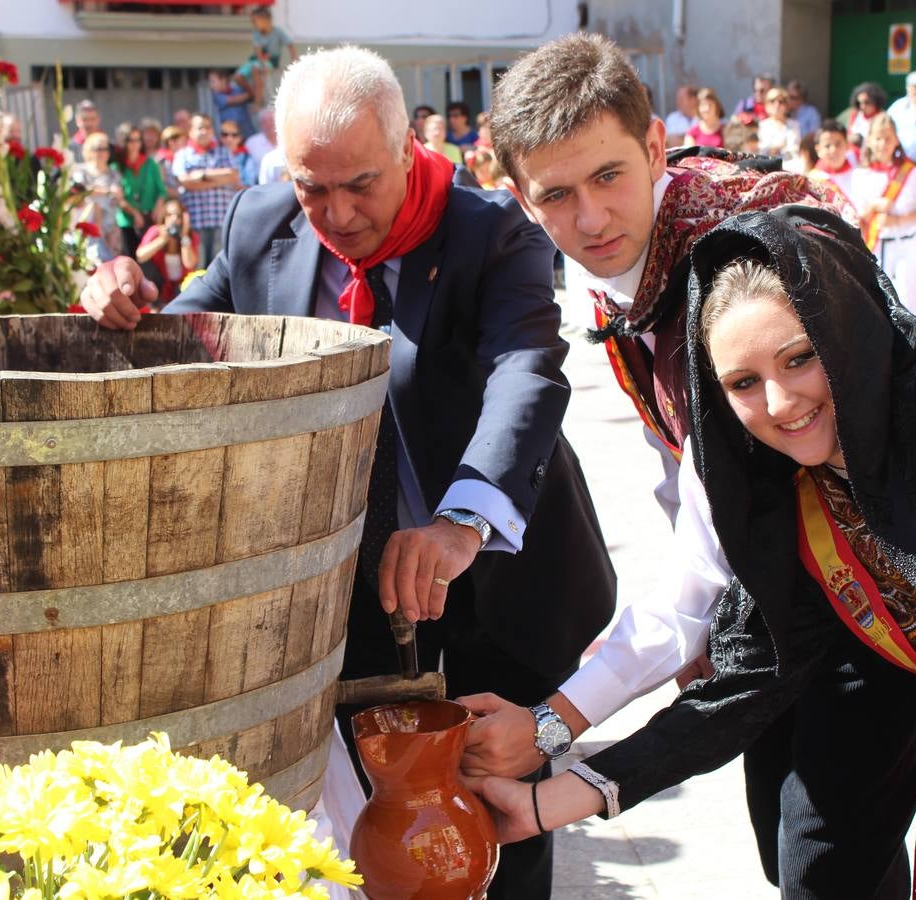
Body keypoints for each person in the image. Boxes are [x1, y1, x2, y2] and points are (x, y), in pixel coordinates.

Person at [467, 204, 916, 900]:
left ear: (848, 334)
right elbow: (749, 681)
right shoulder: (802, 501)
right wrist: (547, 803)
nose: (781, 403)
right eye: (743, 384)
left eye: (800, 357)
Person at [76, 45, 617, 900]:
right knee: (361, 836)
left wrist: (459, 523)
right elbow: (191, 332)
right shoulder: (259, 225)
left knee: (493, 831)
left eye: (360, 183)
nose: (336, 213)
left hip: (489, 592)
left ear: (408, 149)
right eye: (310, 187)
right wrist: (123, 299)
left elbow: (528, 373)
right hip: (338, 594)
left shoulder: (489, 234)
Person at [481, 32, 916, 899]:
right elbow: (684, 471)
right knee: (786, 843)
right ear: (521, 198)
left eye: (610, 176)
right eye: (558, 195)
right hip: (775, 589)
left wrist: (553, 722)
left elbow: (703, 556)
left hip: (884, 587)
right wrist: (706, 629)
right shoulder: (635, 268)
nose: (590, 219)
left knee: (827, 863)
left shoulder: (739, 259)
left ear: (656, 148)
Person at [853, 112, 916, 312]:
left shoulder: (912, 173)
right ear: (869, 141)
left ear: (896, 140)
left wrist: (899, 220)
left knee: (907, 299)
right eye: (878, 138)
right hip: (875, 244)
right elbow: (855, 216)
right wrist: (874, 208)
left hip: (906, 242)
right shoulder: (860, 175)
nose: (883, 144)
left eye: (888, 138)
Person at [172, 113, 243, 267]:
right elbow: (184, 181)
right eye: (199, 127)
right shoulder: (182, 155)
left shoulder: (223, 151)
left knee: (221, 269)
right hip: (195, 223)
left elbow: (232, 175)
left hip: (221, 221)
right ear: (190, 131)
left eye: (207, 127)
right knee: (197, 270)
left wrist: (202, 175)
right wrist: (217, 180)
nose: (204, 131)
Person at [114, 124, 167, 259]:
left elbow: (161, 191)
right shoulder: (117, 166)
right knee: (130, 259)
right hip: (127, 220)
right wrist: (134, 213)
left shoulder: (150, 164)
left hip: (150, 218)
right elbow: (118, 197)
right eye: (130, 140)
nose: (135, 144)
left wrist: (158, 207)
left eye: (137, 140)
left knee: (150, 260)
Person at [72, 131, 124, 264]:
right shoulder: (81, 172)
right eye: (97, 149)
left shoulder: (113, 173)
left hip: (110, 227)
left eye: (105, 148)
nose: (101, 152)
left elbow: (119, 196)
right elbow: (79, 192)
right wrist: (107, 191)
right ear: (89, 151)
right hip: (88, 226)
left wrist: (113, 193)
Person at [135, 197, 197, 305]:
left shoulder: (190, 237)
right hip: (160, 287)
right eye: (169, 215)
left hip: (180, 288)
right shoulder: (156, 231)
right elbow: (140, 256)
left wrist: (184, 236)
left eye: (178, 215)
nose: (174, 219)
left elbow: (189, 264)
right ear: (164, 217)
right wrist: (162, 240)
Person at [805, 119, 856, 207]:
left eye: (838, 144)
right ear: (818, 150)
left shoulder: (859, 171)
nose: (833, 150)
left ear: (847, 145)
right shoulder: (813, 181)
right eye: (827, 146)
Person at [208, 68, 255, 141]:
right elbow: (233, 100)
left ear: (223, 80)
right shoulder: (216, 96)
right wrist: (249, 94)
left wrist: (243, 82)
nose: (211, 85)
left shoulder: (238, 89)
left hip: (248, 134)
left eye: (213, 81)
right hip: (231, 137)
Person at [756, 87, 800, 163]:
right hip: (765, 164)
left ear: (786, 105)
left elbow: (794, 151)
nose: (777, 105)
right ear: (767, 104)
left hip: (788, 165)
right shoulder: (762, 126)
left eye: (781, 101)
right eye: (772, 101)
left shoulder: (794, 125)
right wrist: (775, 149)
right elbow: (760, 150)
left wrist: (780, 157)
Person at [846, 81, 887, 145]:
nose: (862, 106)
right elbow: (848, 134)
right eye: (859, 103)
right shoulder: (855, 114)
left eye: (867, 102)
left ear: (875, 102)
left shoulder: (882, 117)